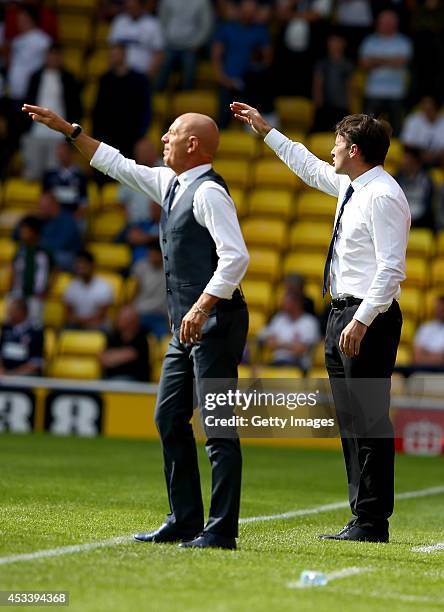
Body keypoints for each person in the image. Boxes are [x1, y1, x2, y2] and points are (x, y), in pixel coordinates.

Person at [22, 102, 250, 550]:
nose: (162, 138)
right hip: (187, 325)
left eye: (171, 132)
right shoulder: (172, 184)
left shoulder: (208, 193)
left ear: (193, 144)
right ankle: (185, 520)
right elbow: (115, 163)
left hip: (215, 321)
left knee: (218, 425)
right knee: (168, 416)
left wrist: (202, 306)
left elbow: (236, 257)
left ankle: (221, 530)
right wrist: (69, 130)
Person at [231, 101, 410, 543]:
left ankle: (372, 521)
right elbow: (310, 168)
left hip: (367, 315)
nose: (331, 149)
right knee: (350, 421)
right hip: (340, 313)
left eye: (337, 142)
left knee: (368, 420)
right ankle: (361, 517)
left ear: (354, 149)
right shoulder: (353, 187)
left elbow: (391, 269)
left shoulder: (383, 195)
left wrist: (363, 320)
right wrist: (266, 131)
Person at [21, 43, 82, 180]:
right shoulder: (35, 77)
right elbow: (26, 102)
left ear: (60, 58)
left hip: (58, 134)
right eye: (50, 54)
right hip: (35, 132)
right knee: (32, 173)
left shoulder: (69, 79)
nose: (53, 58)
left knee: (54, 175)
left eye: (56, 55)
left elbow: (75, 107)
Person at [212, 0, 272, 128]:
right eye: (246, 10)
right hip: (227, 81)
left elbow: (267, 59)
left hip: (251, 83)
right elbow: (216, 55)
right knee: (224, 112)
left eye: (252, 11)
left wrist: (254, 74)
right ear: (239, 10)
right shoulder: (227, 28)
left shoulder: (261, 31)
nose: (249, 14)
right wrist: (222, 77)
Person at [92, 43, 152, 159]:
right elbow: (98, 109)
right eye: (111, 55)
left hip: (131, 136)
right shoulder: (105, 80)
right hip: (108, 137)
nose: (112, 57)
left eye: (115, 54)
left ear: (123, 55)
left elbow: (146, 108)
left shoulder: (139, 79)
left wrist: (141, 134)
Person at [359, 10, 413, 135]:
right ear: (378, 23)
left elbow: (401, 62)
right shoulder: (370, 41)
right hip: (373, 92)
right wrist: (390, 60)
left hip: (396, 93)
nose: (387, 24)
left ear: (396, 23)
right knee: (366, 130)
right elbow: (364, 64)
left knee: (398, 131)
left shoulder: (403, 41)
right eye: (384, 22)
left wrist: (376, 60)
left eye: (390, 22)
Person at [156, 0, 214, 91]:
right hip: (170, 44)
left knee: (189, 69)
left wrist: (197, 43)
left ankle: (187, 95)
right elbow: (161, 20)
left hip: (191, 46)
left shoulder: (202, 2)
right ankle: (155, 96)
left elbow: (206, 26)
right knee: (162, 69)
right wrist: (165, 40)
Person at [259, 287, 320, 372]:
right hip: (277, 362)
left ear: (296, 303)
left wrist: (279, 343)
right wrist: (291, 345)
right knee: (258, 371)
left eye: (286, 301)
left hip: (298, 365)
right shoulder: (279, 318)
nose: (282, 304)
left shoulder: (309, 322)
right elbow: (269, 342)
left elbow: (302, 349)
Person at [10, 215, 53, 325]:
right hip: (18, 294)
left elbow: (54, 270)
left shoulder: (44, 251)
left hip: (36, 296)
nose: (22, 234)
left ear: (35, 232)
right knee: (13, 323)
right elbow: (14, 270)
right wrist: (12, 289)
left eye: (25, 231)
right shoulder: (20, 251)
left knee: (34, 325)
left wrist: (47, 289)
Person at [108, 0, 164, 78]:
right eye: (128, 7)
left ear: (141, 6)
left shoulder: (152, 24)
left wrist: (149, 75)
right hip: (121, 73)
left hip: (142, 74)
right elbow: (114, 48)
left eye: (133, 6)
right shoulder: (120, 21)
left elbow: (158, 53)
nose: (130, 9)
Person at [312, 34, 354, 132]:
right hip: (324, 106)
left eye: (338, 42)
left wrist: (350, 104)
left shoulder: (347, 65)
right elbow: (317, 83)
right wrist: (318, 103)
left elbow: (350, 86)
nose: (335, 45)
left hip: (342, 106)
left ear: (343, 44)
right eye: (332, 42)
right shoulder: (322, 64)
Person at [63, 250, 114, 331]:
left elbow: (101, 316)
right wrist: (80, 322)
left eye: (84, 264)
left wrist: (83, 322)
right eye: (78, 264)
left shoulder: (104, 286)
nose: (81, 267)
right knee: (67, 329)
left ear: (92, 265)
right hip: (77, 325)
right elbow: (68, 314)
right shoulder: (71, 286)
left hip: (98, 325)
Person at [99, 305, 150, 381]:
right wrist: (120, 355)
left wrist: (112, 356)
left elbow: (130, 354)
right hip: (110, 378)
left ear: (132, 321)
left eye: (122, 318)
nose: (117, 320)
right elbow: (103, 358)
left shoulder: (142, 337)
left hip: (135, 380)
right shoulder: (113, 336)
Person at [42, 141, 88, 222]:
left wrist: (72, 220)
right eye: (59, 153)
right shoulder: (49, 175)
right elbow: (44, 199)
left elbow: (83, 203)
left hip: (73, 217)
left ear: (71, 154)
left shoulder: (81, 176)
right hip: (52, 216)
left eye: (64, 153)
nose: (61, 156)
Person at [132, 241, 169, 339]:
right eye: (150, 253)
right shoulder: (140, 266)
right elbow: (134, 290)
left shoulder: (170, 268)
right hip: (140, 313)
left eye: (155, 253)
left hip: (161, 315)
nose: (152, 256)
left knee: (163, 341)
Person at [38, 191, 82, 271]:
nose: (41, 209)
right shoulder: (43, 220)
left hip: (68, 255)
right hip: (49, 252)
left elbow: (61, 243)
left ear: (53, 205)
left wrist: (40, 244)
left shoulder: (68, 220)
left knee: (44, 258)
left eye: (43, 207)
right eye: (40, 206)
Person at [0, 298, 44, 377]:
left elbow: (36, 361)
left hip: (25, 377)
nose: (8, 313)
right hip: (4, 376)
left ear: (22, 312)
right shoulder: (6, 327)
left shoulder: (35, 332)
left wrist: (14, 374)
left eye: (11, 310)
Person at [394, 147, 435, 230]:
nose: (403, 162)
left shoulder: (426, 180)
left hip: (421, 221)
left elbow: (428, 205)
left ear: (415, 162)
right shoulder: (396, 179)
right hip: (400, 220)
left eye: (407, 159)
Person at [400, 96, 444, 167]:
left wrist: (435, 155)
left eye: (430, 109)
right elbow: (406, 144)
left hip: (438, 157)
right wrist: (421, 153)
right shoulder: (413, 119)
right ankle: (409, 178)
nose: (427, 111)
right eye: (425, 107)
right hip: (418, 156)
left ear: (437, 108)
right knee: (407, 158)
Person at [413, 296, 444, 371]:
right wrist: (439, 356)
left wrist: (427, 353)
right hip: (422, 370)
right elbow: (417, 356)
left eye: (442, 309)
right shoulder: (425, 328)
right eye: (437, 308)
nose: (439, 311)